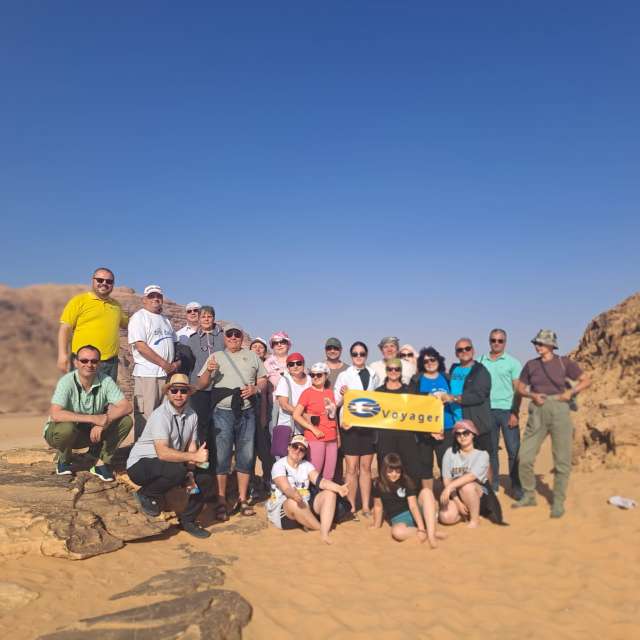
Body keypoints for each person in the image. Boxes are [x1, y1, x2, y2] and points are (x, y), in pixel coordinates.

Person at [514, 330, 591, 518]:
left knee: (562, 459)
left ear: (551, 345)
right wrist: (532, 395)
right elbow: (520, 388)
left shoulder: (564, 363)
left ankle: (558, 501)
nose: (537, 346)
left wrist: (570, 393)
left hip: (560, 408)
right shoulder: (531, 365)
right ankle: (529, 495)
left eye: (541, 343)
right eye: (536, 343)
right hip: (537, 410)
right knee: (524, 457)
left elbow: (586, 380)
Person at [126, 373, 212, 539]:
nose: (179, 394)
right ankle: (146, 493)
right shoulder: (161, 415)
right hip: (141, 465)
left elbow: (191, 445)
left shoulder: (192, 414)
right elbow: (163, 453)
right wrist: (194, 458)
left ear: (189, 393)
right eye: (174, 390)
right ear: (168, 392)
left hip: (170, 463)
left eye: (183, 391)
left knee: (206, 478)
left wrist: (191, 472)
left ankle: (188, 521)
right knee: (176, 470)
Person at [197, 322, 267, 518]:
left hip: (247, 412)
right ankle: (221, 501)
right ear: (224, 337)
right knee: (222, 457)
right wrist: (209, 371)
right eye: (230, 334)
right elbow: (201, 384)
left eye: (237, 334)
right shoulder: (216, 357)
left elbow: (263, 379)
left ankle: (242, 499)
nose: (233, 337)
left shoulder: (252, 356)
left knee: (246, 456)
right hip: (222, 413)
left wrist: (255, 389)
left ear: (242, 336)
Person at [44, 344, 132, 480]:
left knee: (126, 421)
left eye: (94, 361)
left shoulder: (106, 381)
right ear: (76, 362)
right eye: (84, 361)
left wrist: (105, 421)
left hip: (90, 433)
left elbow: (126, 406)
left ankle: (101, 463)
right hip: (61, 432)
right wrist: (93, 419)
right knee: (66, 428)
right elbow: (55, 414)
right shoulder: (66, 382)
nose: (89, 365)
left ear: (99, 363)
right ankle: (64, 460)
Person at [266, 435, 349, 544]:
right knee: (293, 502)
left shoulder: (306, 465)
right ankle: (319, 528)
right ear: (289, 447)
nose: (297, 451)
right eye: (295, 446)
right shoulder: (279, 465)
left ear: (305, 453)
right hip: (285, 510)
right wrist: (293, 494)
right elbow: (286, 488)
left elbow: (321, 481)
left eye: (302, 449)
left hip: (305, 504)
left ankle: (324, 532)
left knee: (330, 493)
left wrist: (338, 488)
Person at [57, 267, 128, 381]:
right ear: (93, 280)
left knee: (106, 393)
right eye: (100, 280)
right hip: (84, 362)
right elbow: (65, 328)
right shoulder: (79, 301)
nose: (104, 283)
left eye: (109, 281)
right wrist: (62, 354)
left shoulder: (116, 306)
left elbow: (128, 323)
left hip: (110, 364)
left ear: (113, 284)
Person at [334, 341, 380, 518]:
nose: (358, 357)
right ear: (351, 356)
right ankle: (352, 506)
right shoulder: (344, 375)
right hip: (350, 427)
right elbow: (336, 401)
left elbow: (380, 399)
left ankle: (366, 506)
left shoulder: (374, 375)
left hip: (369, 427)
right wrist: (342, 394)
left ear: (366, 355)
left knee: (366, 468)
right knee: (351, 469)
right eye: (355, 354)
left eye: (362, 353)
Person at [128, 285, 179, 440]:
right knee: (147, 415)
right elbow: (141, 346)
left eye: (158, 296)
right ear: (144, 300)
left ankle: (160, 450)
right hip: (148, 375)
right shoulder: (139, 317)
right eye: (151, 296)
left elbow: (174, 344)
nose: (155, 299)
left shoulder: (165, 320)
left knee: (164, 416)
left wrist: (175, 364)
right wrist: (164, 364)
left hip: (166, 376)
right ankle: (142, 451)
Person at [478, 329, 523, 499]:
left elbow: (518, 390)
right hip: (487, 411)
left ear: (505, 342)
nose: (496, 343)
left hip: (507, 411)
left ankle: (516, 486)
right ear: (489, 341)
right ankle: (494, 485)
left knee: (513, 450)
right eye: (493, 340)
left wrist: (515, 413)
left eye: (500, 340)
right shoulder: (480, 361)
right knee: (491, 451)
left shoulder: (513, 363)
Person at [409, 347, 456, 490]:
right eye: (426, 361)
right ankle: (427, 496)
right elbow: (411, 401)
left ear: (438, 360)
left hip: (446, 428)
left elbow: (456, 396)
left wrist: (450, 398)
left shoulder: (447, 378)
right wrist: (426, 396)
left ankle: (448, 496)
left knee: (446, 465)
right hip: (424, 430)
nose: (429, 363)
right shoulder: (417, 380)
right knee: (425, 466)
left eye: (432, 359)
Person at [375, 358, 427, 487]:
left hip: (407, 437)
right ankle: (388, 497)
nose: (393, 371)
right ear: (386, 371)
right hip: (385, 438)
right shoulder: (378, 392)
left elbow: (421, 411)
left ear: (401, 371)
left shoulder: (410, 391)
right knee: (387, 470)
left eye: (397, 369)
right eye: (390, 369)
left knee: (411, 469)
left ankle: (411, 496)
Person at [371, 453, 441, 548]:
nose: (394, 474)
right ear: (384, 470)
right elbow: (378, 506)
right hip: (399, 521)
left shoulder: (406, 481)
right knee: (397, 532)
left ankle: (431, 536)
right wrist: (376, 525)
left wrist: (420, 527)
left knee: (426, 492)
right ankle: (426, 532)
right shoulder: (377, 484)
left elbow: (413, 506)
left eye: (397, 471)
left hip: (415, 514)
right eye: (390, 471)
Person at [441, 338, 493, 456]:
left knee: (481, 461)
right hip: (457, 426)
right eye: (460, 350)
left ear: (473, 350)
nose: (464, 351)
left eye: (467, 348)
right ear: (456, 353)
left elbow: (479, 396)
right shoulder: (454, 369)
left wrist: (454, 398)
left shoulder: (481, 371)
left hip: (475, 427)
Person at [186, 305, 224, 461]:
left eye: (209, 316)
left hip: (220, 386)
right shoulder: (192, 339)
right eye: (203, 316)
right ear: (199, 319)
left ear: (214, 318)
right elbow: (189, 363)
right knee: (201, 424)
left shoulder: (223, 336)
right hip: (199, 388)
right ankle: (202, 460)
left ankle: (218, 461)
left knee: (219, 424)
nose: (206, 319)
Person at [439, 420, 490, 529]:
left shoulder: (482, 454)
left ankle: (475, 519)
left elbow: (471, 476)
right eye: (458, 434)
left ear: (473, 434)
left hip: (479, 495)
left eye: (466, 433)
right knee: (445, 517)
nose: (462, 436)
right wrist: (457, 501)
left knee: (466, 485)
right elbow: (447, 479)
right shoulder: (449, 453)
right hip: (458, 495)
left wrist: (449, 488)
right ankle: (464, 514)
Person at [293, 362, 339, 480]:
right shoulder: (307, 393)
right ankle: (311, 493)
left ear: (326, 375)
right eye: (312, 375)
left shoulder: (330, 392)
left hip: (332, 437)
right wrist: (313, 429)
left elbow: (333, 416)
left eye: (319, 375)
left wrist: (338, 435)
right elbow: (296, 415)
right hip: (315, 438)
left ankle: (326, 493)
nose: (315, 377)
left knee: (329, 475)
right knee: (314, 473)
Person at [271, 352, 311, 456]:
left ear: (303, 364)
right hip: (288, 427)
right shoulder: (284, 381)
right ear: (288, 367)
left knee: (303, 460)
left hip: (306, 427)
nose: (295, 366)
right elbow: (284, 404)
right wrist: (303, 414)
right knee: (286, 459)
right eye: (291, 364)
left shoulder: (310, 380)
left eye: (298, 363)